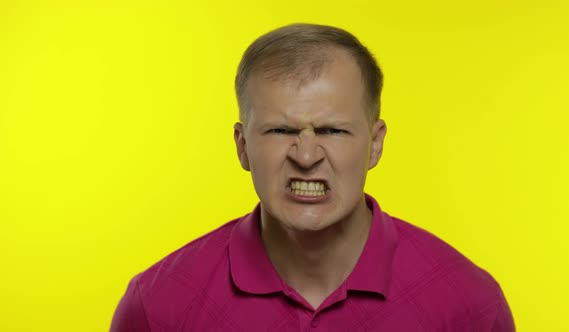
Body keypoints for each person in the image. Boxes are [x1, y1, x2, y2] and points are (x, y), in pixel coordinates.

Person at [111, 23, 515, 331]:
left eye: (332, 131)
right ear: (242, 146)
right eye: (281, 131)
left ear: (375, 144)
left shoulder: (468, 303)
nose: (306, 156)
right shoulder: (157, 304)